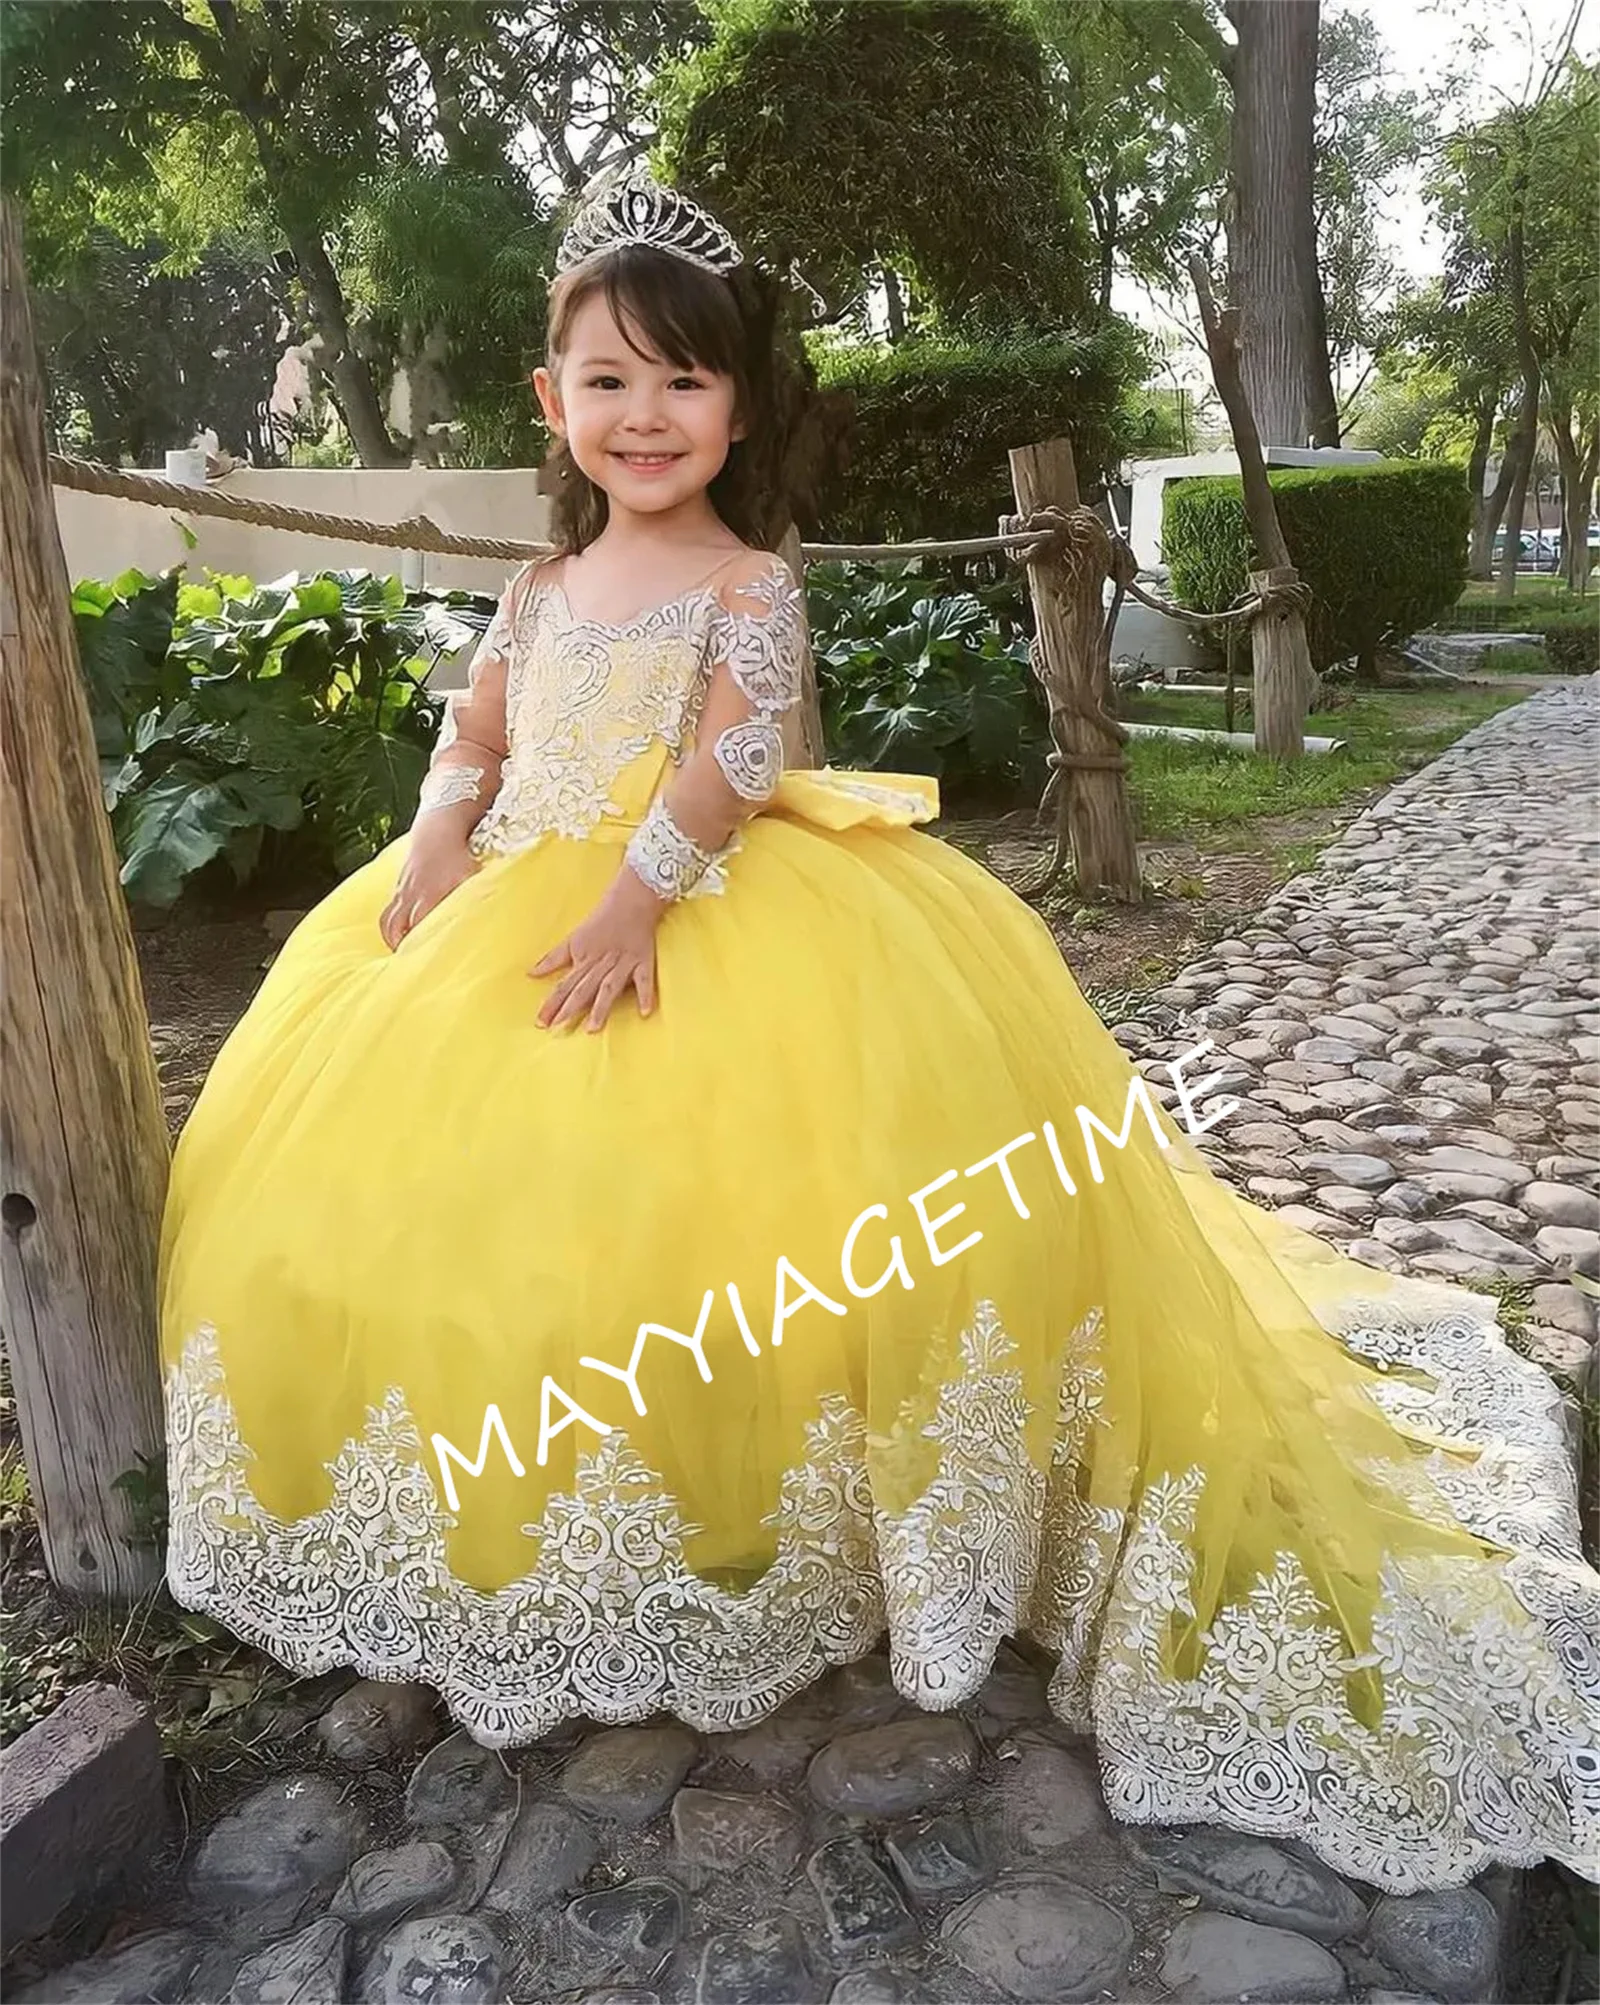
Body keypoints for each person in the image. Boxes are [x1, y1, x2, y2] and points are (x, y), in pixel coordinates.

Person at [158, 167, 1597, 1895]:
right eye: (607, 380)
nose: (645, 415)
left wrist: (636, 894)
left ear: (739, 403)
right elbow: (476, 724)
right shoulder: (540, 588)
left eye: (683, 381)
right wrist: (448, 828)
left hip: (695, 905)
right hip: (502, 906)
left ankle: (800, 1529)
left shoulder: (746, 581)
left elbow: (737, 759)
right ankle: (519, 1534)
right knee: (477, 1214)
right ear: (551, 401)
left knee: (744, 1205)